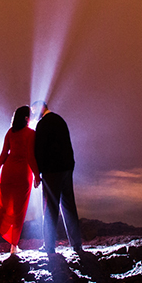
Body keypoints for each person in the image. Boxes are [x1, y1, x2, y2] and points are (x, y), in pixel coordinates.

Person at [32, 100, 83, 254]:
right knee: (69, 206)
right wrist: (70, 165)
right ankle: (76, 245)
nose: (34, 114)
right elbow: (68, 144)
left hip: (51, 171)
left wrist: (38, 173)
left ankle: (49, 246)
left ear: (41, 108)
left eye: (34, 111)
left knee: (50, 209)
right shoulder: (60, 120)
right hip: (67, 168)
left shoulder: (43, 124)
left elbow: (38, 150)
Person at [0, 105, 40, 255]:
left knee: (3, 209)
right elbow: (31, 156)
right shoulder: (31, 134)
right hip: (23, 173)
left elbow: (4, 153)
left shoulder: (10, 133)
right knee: (19, 211)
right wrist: (37, 175)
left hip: (8, 171)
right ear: (26, 118)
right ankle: (13, 247)